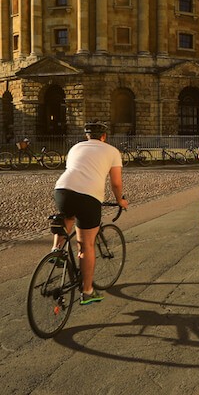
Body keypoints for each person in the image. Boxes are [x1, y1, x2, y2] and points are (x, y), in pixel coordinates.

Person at [53, 120, 128, 305]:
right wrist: (120, 200)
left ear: (87, 136)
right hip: (88, 196)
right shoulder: (112, 151)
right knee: (86, 245)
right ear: (104, 136)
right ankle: (87, 291)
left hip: (62, 189)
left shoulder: (75, 148)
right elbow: (116, 183)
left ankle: (56, 251)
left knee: (68, 216)